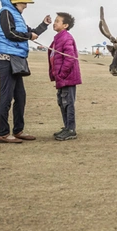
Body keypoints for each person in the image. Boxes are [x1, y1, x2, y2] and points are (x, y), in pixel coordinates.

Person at [0, 0, 51, 144]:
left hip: (17, 60)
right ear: (16, 1)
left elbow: (31, 33)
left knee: (20, 97)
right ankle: (3, 133)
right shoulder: (5, 12)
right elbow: (10, 34)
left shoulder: (17, 15)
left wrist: (44, 25)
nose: (26, 6)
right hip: (6, 59)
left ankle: (18, 130)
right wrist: (28, 36)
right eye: (24, 2)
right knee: (6, 97)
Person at [48, 12, 82, 141]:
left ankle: (71, 129)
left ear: (65, 25)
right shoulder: (58, 38)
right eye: (55, 21)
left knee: (68, 103)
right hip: (61, 78)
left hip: (67, 78)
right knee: (62, 103)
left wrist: (61, 74)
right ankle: (66, 127)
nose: (54, 23)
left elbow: (69, 59)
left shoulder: (66, 38)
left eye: (57, 21)